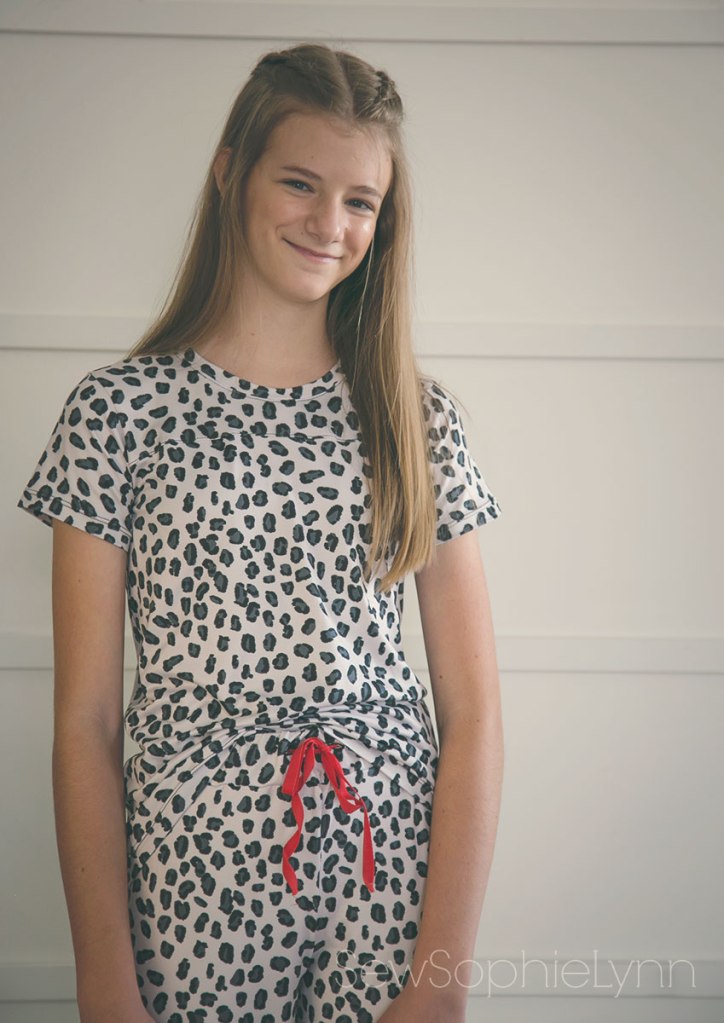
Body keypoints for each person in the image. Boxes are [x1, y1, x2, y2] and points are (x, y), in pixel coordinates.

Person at [16, 42, 504, 1023]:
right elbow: (85, 724)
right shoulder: (117, 416)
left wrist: (441, 977)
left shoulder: (414, 419)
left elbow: (475, 714)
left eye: (361, 200)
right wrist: (103, 979)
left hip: (385, 874)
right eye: (300, 183)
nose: (329, 224)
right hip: (192, 882)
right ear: (230, 170)